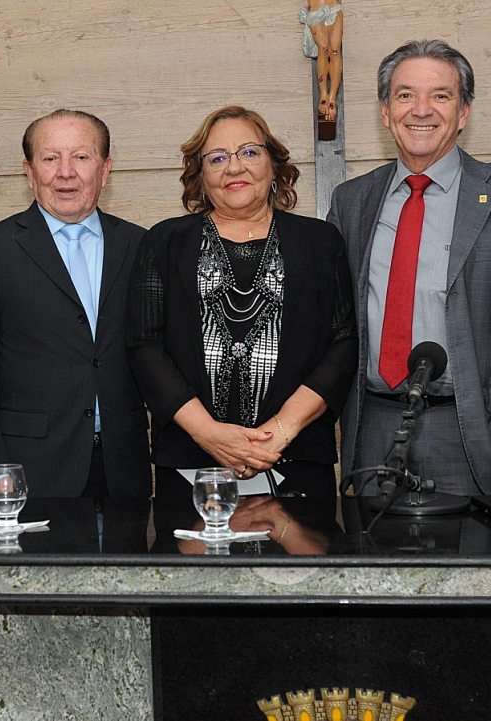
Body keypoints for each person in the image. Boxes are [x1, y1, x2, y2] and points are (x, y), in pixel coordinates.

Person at [327, 40, 491, 496]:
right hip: (373, 430)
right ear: (385, 111)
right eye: (405, 95)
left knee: (479, 567)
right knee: (371, 568)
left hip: (475, 435)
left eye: (440, 95)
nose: (421, 110)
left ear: (463, 112)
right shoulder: (352, 201)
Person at [127, 106, 357, 501]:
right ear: (201, 177)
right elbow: (144, 346)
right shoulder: (164, 242)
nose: (234, 168)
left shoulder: (321, 242)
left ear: (274, 165)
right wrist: (210, 435)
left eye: (249, 152)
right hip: (190, 462)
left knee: (301, 564)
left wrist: (277, 435)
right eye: (217, 159)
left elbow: (343, 343)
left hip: (296, 459)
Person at [0, 109, 151, 497]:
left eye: (81, 157)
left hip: (122, 464)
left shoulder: (139, 245)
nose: (65, 172)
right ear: (29, 172)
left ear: (106, 169)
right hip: (27, 467)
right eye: (50, 158)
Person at [300, 0, 344, 122]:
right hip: (315, 11)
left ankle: (332, 97)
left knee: (334, 51)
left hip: (334, 8)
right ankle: (323, 94)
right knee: (324, 49)